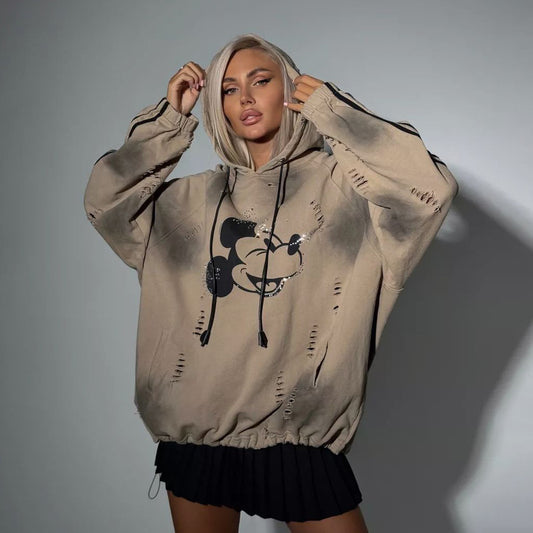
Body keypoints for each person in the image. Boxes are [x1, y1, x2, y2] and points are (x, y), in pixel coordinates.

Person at [83, 33, 458, 532]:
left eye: (260, 81)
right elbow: (105, 202)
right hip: (197, 437)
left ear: (290, 89)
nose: (245, 97)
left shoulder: (352, 195)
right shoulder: (186, 202)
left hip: (298, 438)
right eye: (228, 88)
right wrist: (168, 122)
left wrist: (333, 110)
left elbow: (430, 190)